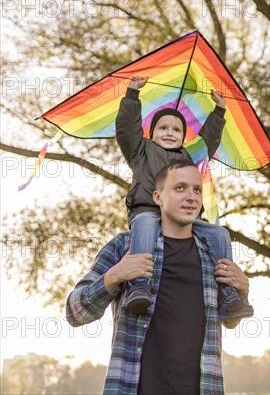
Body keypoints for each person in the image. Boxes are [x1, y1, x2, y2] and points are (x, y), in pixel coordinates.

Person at [66, 159, 250, 395]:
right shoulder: (125, 246)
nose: (191, 197)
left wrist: (242, 292)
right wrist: (112, 277)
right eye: (180, 188)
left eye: (197, 190)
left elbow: (229, 321)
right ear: (157, 197)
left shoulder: (212, 254)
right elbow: (75, 312)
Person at [116, 76, 253, 320]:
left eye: (176, 129)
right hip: (148, 210)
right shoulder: (141, 150)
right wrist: (132, 96)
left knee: (219, 234)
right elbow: (127, 128)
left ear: (183, 136)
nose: (170, 133)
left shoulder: (189, 157)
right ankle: (139, 286)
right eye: (163, 128)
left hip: (181, 219)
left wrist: (219, 110)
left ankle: (228, 293)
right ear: (151, 132)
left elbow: (208, 140)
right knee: (146, 225)